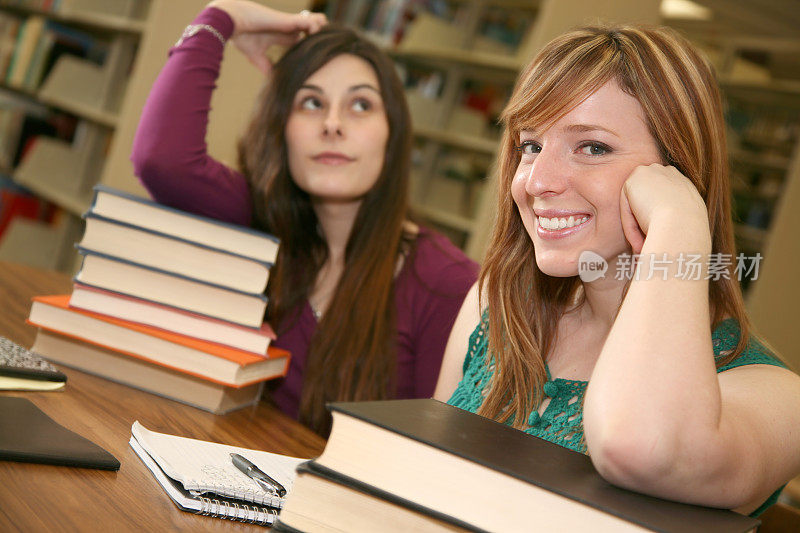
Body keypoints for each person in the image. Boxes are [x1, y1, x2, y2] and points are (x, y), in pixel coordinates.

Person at [434, 25, 800, 516]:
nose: (538, 181)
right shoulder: (494, 304)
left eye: (592, 147)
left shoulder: (778, 396)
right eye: (531, 146)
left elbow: (641, 449)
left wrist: (678, 229)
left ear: (679, 175)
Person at [131, 0, 478, 435]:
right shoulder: (266, 222)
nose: (332, 124)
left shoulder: (447, 284)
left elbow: (430, 462)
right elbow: (161, 160)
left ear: (393, 137)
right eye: (311, 103)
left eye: (360, 106)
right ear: (283, 130)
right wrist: (220, 18)